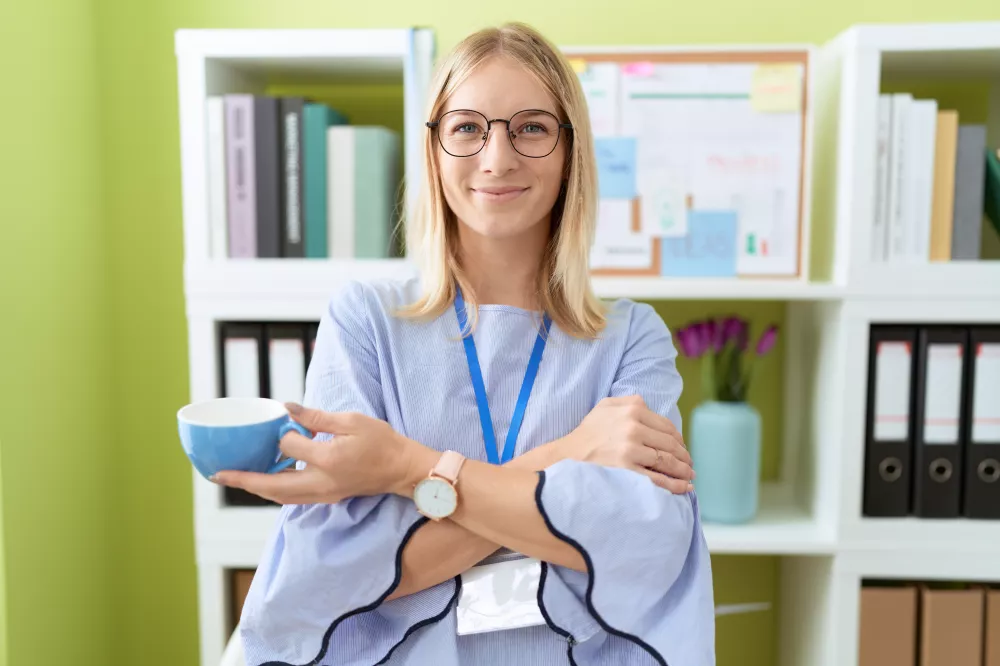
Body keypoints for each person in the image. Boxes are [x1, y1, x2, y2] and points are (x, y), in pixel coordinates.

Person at [211, 21, 715, 666]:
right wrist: (569, 457)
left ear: (570, 150)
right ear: (435, 148)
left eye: (530, 127)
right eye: (468, 128)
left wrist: (404, 472)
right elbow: (331, 571)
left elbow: (647, 543)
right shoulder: (366, 318)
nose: (497, 158)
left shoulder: (629, 338)